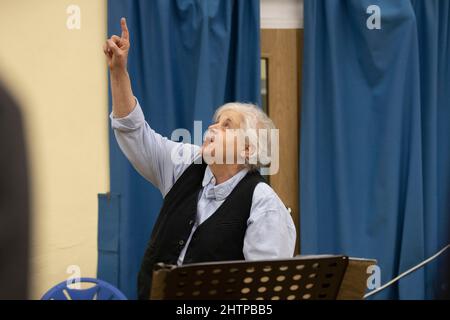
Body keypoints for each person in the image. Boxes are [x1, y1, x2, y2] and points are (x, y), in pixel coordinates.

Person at [104, 18, 296, 299]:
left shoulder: (265, 205)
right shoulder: (186, 164)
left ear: (248, 150)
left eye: (227, 125)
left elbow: (261, 296)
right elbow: (134, 133)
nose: (213, 128)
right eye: (215, 122)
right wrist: (119, 71)